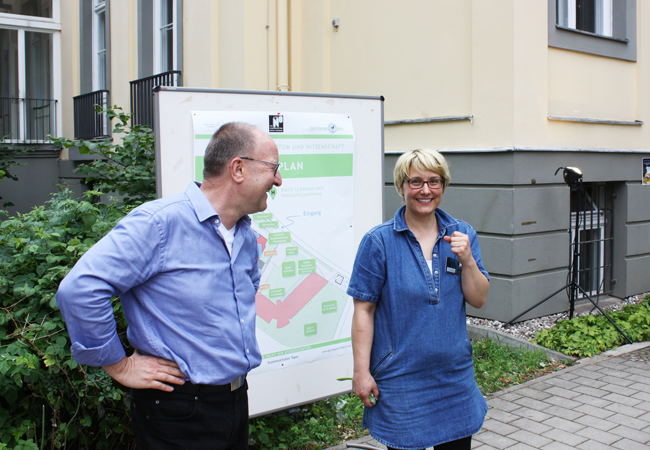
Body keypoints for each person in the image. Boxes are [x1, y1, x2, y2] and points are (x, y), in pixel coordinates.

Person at [56, 122, 282, 450]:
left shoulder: (245, 235)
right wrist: (119, 365)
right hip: (177, 409)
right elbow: (81, 288)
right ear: (238, 169)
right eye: (273, 168)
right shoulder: (160, 224)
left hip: (233, 401)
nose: (278, 180)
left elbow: (245, 291)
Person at [348, 149, 489, 450]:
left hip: (453, 377)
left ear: (443, 186)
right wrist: (361, 372)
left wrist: (468, 261)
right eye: (415, 182)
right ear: (401, 186)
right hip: (401, 379)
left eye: (434, 182)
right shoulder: (379, 242)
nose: (425, 190)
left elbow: (478, 299)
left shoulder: (462, 234)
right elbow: (364, 310)